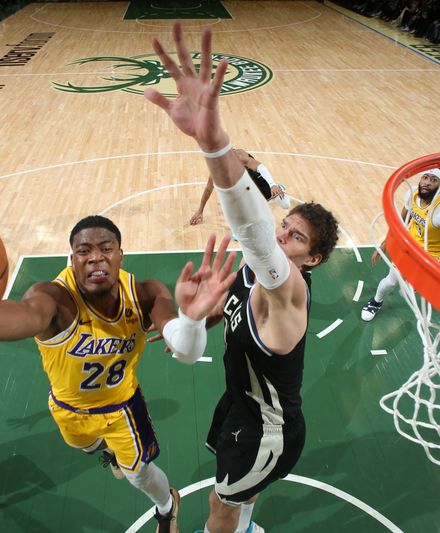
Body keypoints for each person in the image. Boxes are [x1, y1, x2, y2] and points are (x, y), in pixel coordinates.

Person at [0, 216, 238, 533]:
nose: (96, 256)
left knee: (139, 474)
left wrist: (190, 321)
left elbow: (184, 346)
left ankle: (166, 506)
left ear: (121, 255)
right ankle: (108, 452)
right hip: (67, 408)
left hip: (121, 409)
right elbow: (23, 315)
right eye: (83, 250)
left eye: (107, 247)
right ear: (71, 258)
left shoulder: (144, 293)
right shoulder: (53, 298)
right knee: (85, 446)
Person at [145, 23, 340, 533]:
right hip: (239, 402)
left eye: (295, 238)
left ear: (312, 261)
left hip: (268, 428)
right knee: (234, 494)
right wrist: (190, 320)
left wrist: (214, 144)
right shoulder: (247, 277)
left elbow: (254, 234)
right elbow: (188, 349)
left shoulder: (289, 291)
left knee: (219, 510)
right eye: (285, 226)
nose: (281, 238)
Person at [361, 168, 440, 321]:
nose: (427, 183)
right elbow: (401, 221)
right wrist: (385, 243)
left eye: (434, 180)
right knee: (390, 282)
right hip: (412, 244)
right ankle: (376, 302)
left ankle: (414, 283)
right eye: (425, 177)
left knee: (412, 289)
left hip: (434, 252)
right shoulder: (412, 194)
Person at [189, 148, 290, 226]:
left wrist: (273, 185)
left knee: (285, 205)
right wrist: (200, 211)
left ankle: (279, 188)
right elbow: (208, 189)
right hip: (245, 186)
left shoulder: (239, 155)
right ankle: (242, 226)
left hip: (257, 179)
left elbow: (260, 167)